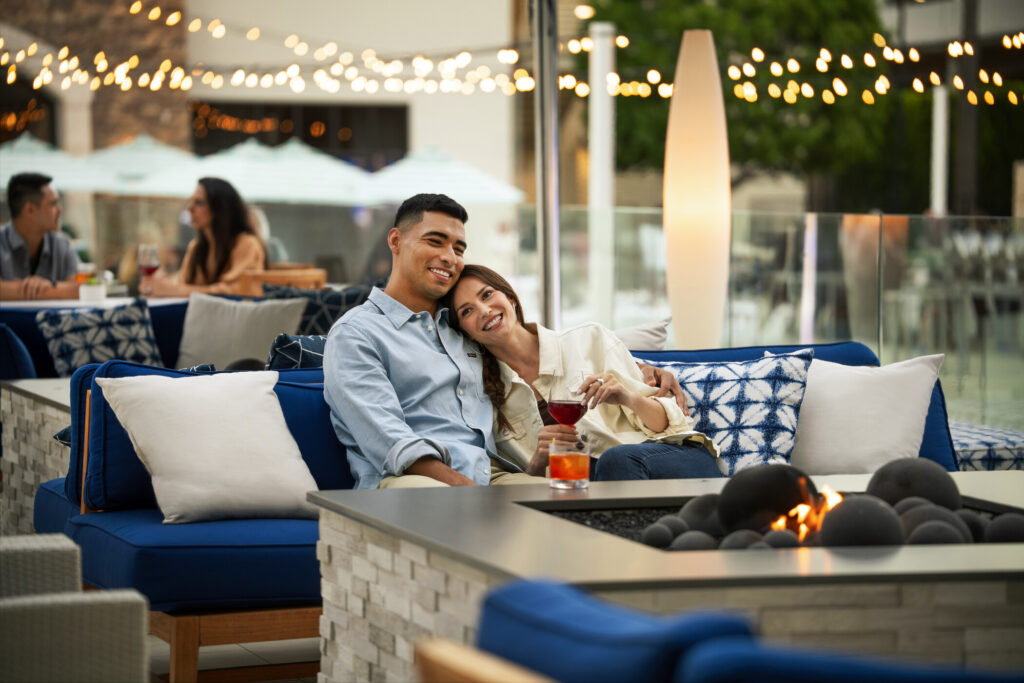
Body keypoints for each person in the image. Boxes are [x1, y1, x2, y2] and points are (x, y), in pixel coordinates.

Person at [322, 192, 686, 489]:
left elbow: (539, 351)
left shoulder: (459, 330)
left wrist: (642, 368)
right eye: (435, 241)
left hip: (491, 478)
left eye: (459, 248)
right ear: (395, 240)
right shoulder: (357, 335)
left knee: (568, 495)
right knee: (436, 495)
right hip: (410, 481)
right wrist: (470, 493)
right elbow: (392, 445)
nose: (449, 257)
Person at [445, 264, 723, 481]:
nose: (483, 310)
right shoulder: (484, 396)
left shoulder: (588, 339)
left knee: (615, 461)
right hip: (587, 487)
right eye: (467, 311)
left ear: (510, 297)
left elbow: (668, 424)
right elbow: (518, 483)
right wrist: (540, 462)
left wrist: (627, 396)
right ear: (465, 331)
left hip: (670, 461)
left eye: (487, 295)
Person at [141, 177, 266, 297]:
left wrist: (177, 290)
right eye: (191, 202)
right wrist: (163, 285)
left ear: (220, 209)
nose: (190, 208)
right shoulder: (196, 247)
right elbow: (182, 283)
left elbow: (237, 291)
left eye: (199, 203)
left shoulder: (247, 244)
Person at [0, 172, 80, 300]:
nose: (60, 209)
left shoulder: (62, 243)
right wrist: (57, 289)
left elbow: (81, 289)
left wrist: (43, 286)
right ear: (30, 209)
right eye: (53, 204)